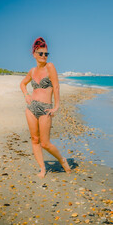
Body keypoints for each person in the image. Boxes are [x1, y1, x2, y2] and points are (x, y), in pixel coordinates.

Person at [20, 37, 71, 178]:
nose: (44, 56)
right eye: (41, 53)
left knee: (45, 143)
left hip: (46, 108)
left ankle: (62, 160)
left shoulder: (50, 67)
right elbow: (22, 84)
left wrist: (56, 107)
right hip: (31, 108)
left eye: (46, 54)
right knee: (34, 140)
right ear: (34, 54)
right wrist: (26, 95)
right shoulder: (32, 71)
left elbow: (56, 86)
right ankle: (42, 169)